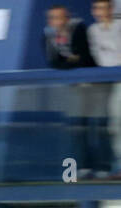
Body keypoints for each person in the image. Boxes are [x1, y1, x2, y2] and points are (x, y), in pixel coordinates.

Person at [47, 4, 108, 177]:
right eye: (54, 18)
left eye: (61, 17)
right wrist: (71, 61)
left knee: (99, 126)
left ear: (67, 18)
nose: (58, 22)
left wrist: (69, 61)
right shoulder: (48, 36)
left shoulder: (79, 28)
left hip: (96, 86)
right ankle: (77, 171)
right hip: (74, 89)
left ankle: (103, 168)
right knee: (76, 128)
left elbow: (83, 56)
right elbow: (53, 63)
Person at [88, 0, 121, 178]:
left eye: (105, 7)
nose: (102, 11)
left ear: (112, 8)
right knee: (112, 125)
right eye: (98, 8)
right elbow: (97, 56)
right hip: (104, 81)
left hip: (119, 79)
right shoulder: (93, 31)